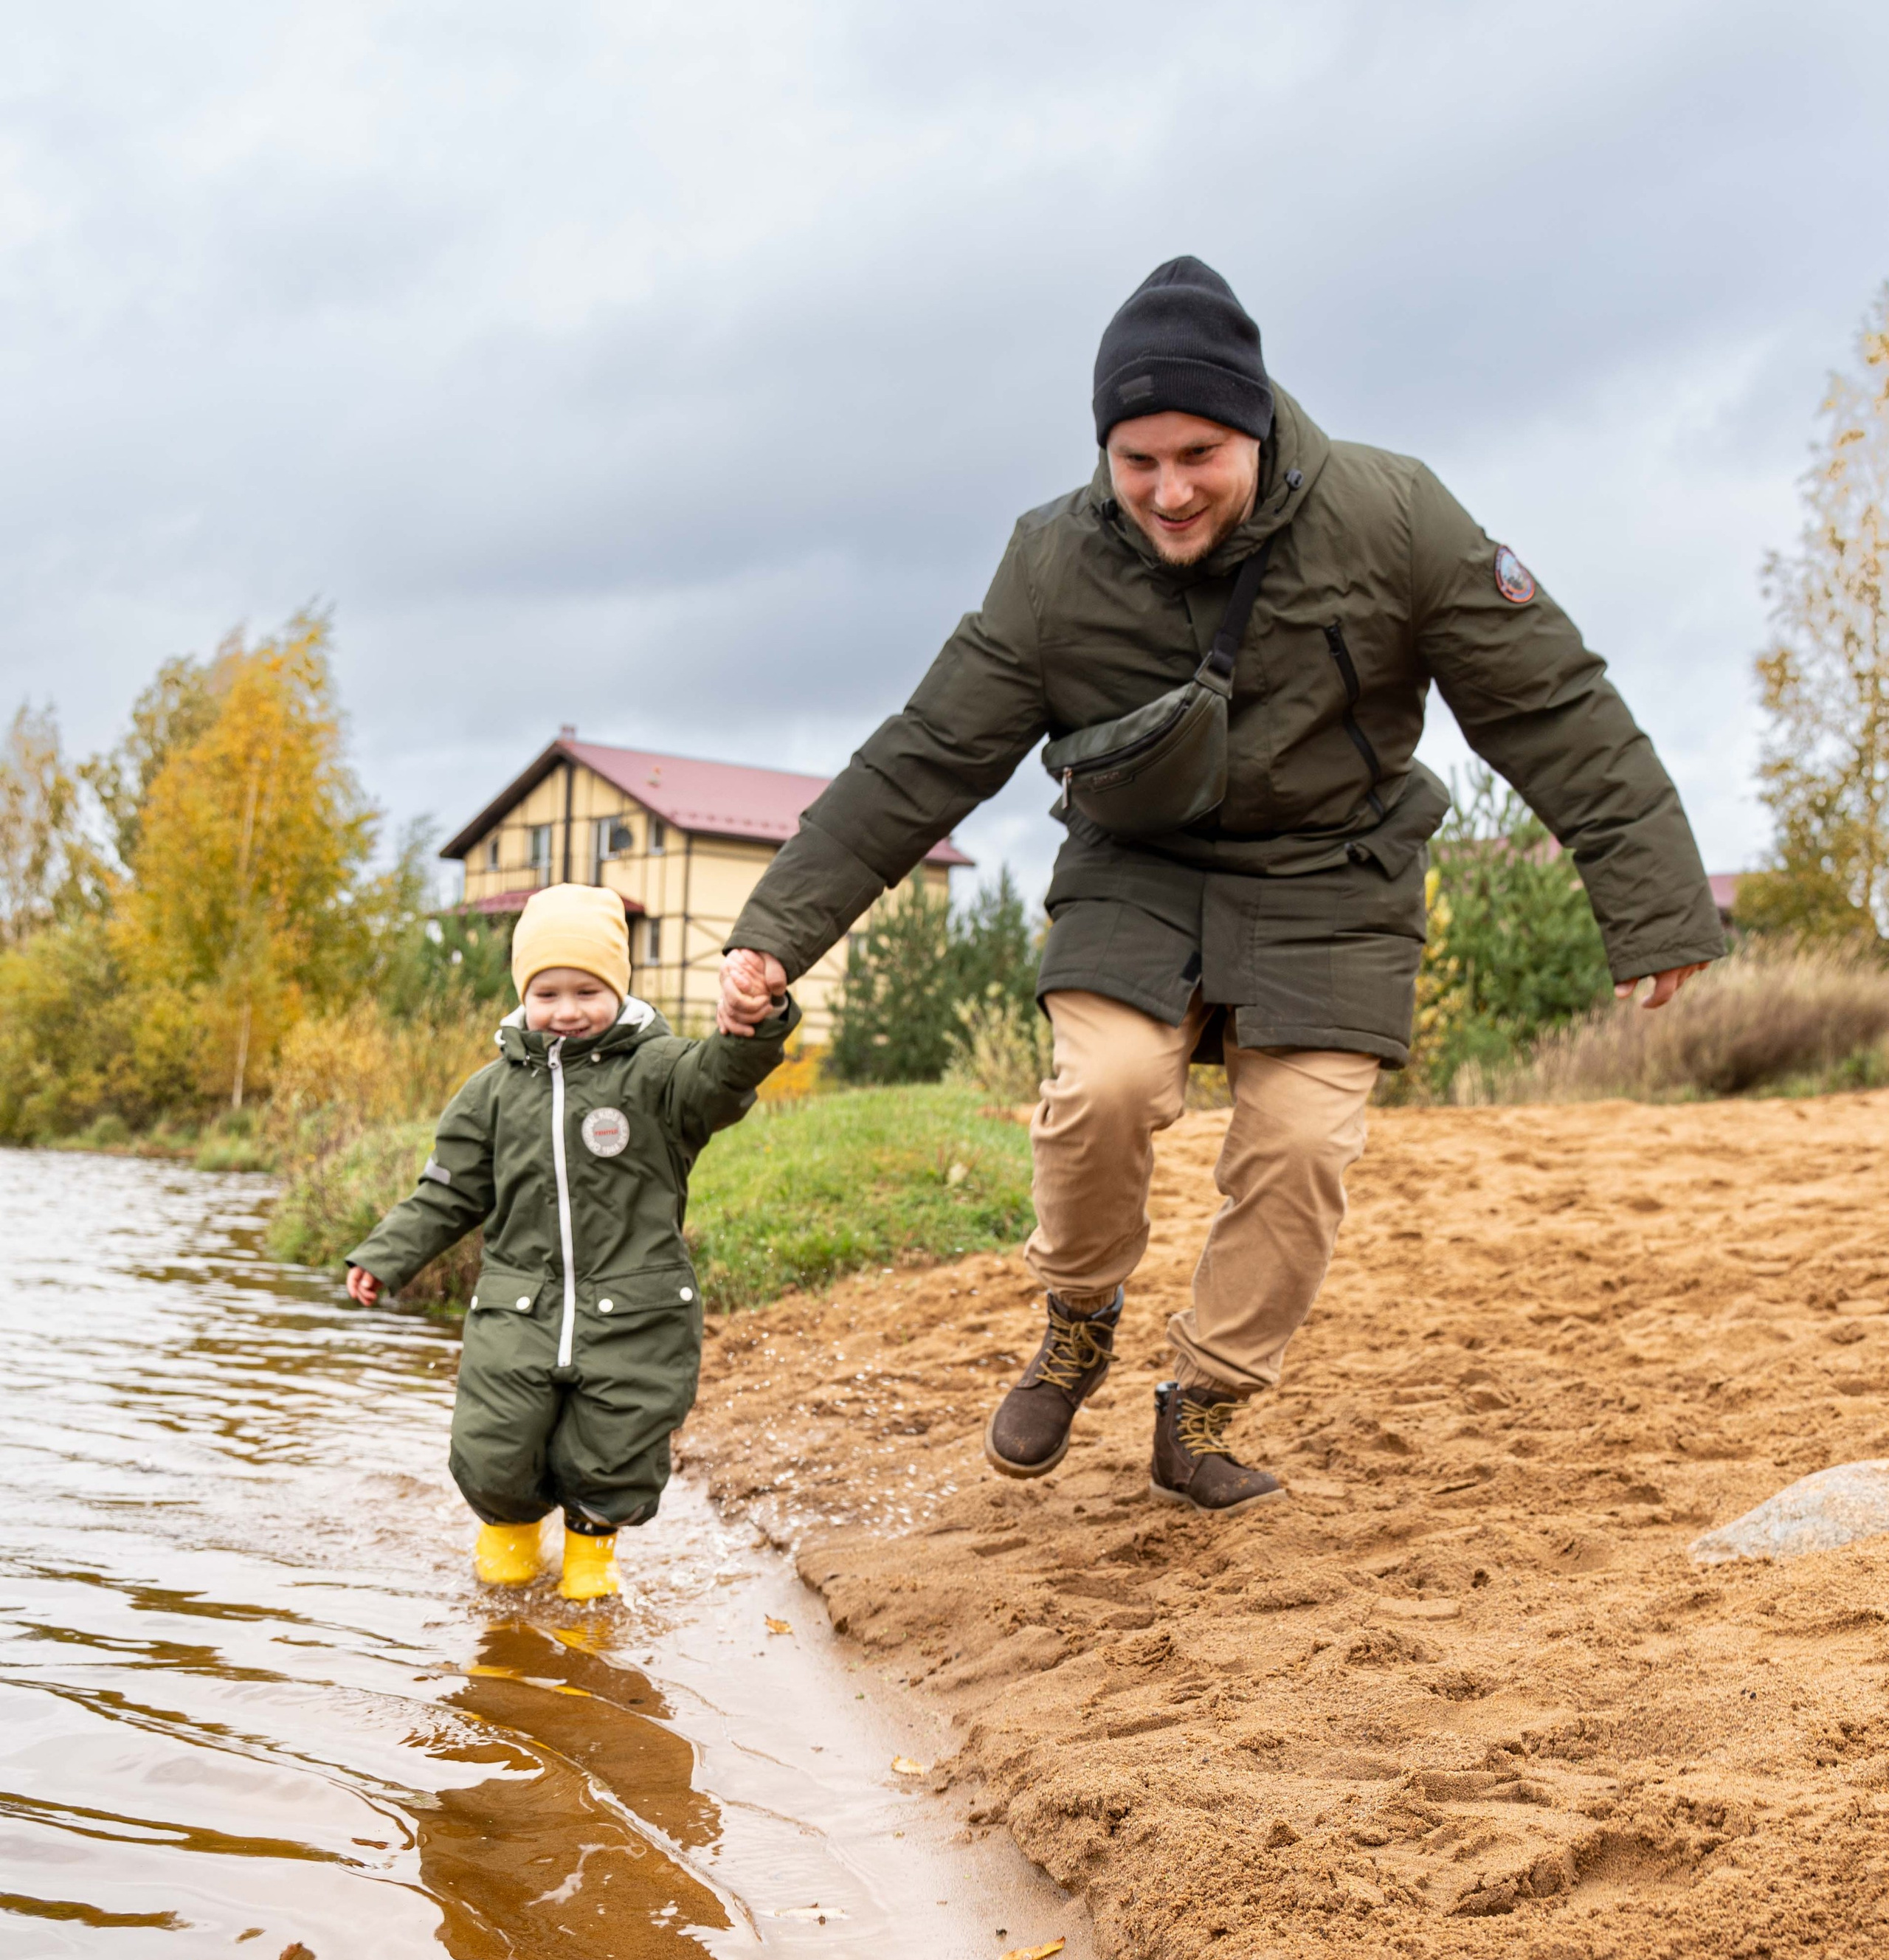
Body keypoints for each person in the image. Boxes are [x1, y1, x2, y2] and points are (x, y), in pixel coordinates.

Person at [716, 256, 1722, 1513]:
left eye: (1199, 453)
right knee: (1106, 1086)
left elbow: (1550, 704)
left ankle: (1202, 1403)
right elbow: (925, 758)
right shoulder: (1051, 563)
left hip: (1335, 876)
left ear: (1257, 425)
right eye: (1138, 461)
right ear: (1105, 452)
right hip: (1138, 866)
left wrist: (1656, 902)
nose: (1170, 489)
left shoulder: (1395, 516)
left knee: (1300, 1148)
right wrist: (778, 931)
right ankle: (1080, 1315)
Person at [346, 883, 796, 1598]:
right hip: (518, 1310)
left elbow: (722, 1079)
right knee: (493, 1447)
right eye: (547, 992)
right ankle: (503, 1581)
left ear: (618, 988)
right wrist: (384, 1255)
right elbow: (448, 1192)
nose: (566, 1011)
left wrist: (753, 1024)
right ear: (524, 994)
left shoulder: (658, 1074)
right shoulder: (490, 1093)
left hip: (634, 1313)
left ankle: (590, 1592)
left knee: (612, 1455)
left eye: (586, 990)